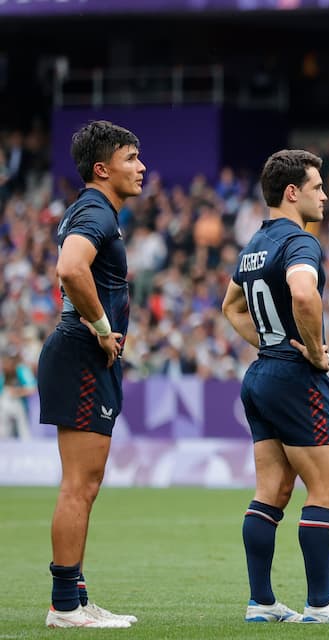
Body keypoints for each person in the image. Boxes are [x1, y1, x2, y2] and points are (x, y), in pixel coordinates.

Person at [221, 149, 329, 624]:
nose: (325, 195)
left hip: (262, 373)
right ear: (292, 193)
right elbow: (304, 294)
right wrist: (313, 350)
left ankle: (262, 602)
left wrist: (269, 342)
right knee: (328, 489)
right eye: (317, 187)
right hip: (295, 376)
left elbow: (230, 306)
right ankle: (320, 604)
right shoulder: (300, 242)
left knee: (270, 489)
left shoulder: (254, 245)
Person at [37, 120, 143, 628]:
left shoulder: (97, 211)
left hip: (84, 355)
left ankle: (75, 597)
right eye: (130, 158)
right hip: (81, 351)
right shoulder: (95, 209)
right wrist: (102, 327)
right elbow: (70, 268)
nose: (141, 167)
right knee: (79, 484)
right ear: (102, 169)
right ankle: (64, 605)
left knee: (88, 482)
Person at [0, 346, 36, 440]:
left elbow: (32, 388)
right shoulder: (3, 372)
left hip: (19, 405)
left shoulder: (21, 370)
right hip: (4, 405)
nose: (7, 362)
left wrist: (17, 392)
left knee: (23, 431)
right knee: (3, 431)